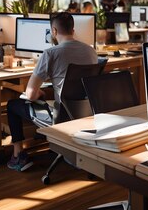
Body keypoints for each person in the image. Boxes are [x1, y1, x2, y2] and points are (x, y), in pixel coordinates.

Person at [5, 12, 98, 171]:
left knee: (12, 105)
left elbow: (31, 94)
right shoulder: (90, 51)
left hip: (61, 115)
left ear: (54, 31)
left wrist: (40, 92)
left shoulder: (51, 53)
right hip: (87, 112)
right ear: (73, 30)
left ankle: (18, 155)